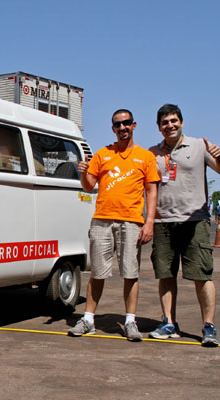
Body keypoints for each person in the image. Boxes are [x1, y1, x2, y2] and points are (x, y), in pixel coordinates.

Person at [68, 109, 160, 341]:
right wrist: (83, 173)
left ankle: (130, 322)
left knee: (130, 273)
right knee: (97, 272)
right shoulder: (103, 154)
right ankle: (88, 319)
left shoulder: (145, 157)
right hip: (102, 220)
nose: (122, 128)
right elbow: (89, 186)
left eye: (126, 123)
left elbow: (151, 190)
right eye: (118, 125)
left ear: (134, 125)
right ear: (113, 128)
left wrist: (149, 222)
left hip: (132, 221)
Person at [148, 104, 220, 346]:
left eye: (173, 121)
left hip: (195, 222)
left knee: (202, 275)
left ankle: (208, 326)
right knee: (165, 274)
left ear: (181, 122)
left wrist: (219, 155)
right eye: (165, 122)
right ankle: (168, 322)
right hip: (164, 222)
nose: (170, 125)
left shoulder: (198, 146)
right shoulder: (152, 153)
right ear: (159, 127)